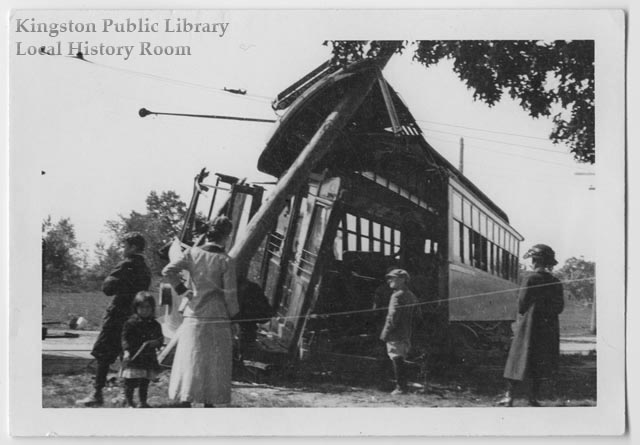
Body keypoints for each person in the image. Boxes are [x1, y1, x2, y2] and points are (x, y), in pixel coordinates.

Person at [162, 216, 239, 407]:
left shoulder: (193, 253)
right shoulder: (225, 260)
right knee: (213, 361)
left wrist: (183, 291)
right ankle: (209, 402)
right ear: (226, 236)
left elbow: (167, 271)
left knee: (191, 357)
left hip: (194, 313)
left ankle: (185, 397)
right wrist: (235, 317)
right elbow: (230, 294)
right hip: (217, 316)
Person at [77, 232, 151, 407]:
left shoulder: (126, 264)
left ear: (133, 247)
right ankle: (129, 397)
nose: (123, 249)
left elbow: (108, 288)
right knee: (130, 356)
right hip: (135, 316)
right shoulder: (145, 268)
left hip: (118, 315)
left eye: (125, 246)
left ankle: (97, 394)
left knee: (103, 355)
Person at [498, 244, 564, 407]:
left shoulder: (530, 278)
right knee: (540, 361)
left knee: (518, 360)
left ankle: (509, 396)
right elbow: (559, 307)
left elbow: (521, 305)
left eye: (533, 260)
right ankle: (532, 398)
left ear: (535, 261)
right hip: (548, 328)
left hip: (530, 326)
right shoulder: (556, 282)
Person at [120, 291, 164, 408]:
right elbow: (125, 339)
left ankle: (143, 402)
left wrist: (157, 342)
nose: (145, 310)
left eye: (148, 307)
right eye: (141, 307)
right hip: (134, 357)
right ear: (136, 308)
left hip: (148, 358)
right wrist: (126, 351)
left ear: (152, 308)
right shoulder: (130, 323)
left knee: (144, 381)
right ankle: (129, 401)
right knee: (130, 381)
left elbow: (160, 338)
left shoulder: (155, 324)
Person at [380, 268, 420, 395]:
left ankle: (401, 388)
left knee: (396, 357)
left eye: (393, 278)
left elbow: (392, 317)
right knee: (400, 357)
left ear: (402, 280)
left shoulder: (397, 296)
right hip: (406, 333)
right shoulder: (411, 295)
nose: (389, 280)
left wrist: (385, 333)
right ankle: (401, 385)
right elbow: (418, 315)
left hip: (395, 333)